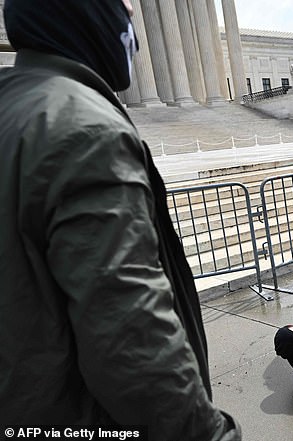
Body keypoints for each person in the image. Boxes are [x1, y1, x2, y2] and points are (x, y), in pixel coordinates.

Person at [0, 1, 240, 439]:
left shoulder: (14, 106)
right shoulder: (84, 129)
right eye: (125, 9)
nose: (133, 20)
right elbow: (131, 336)